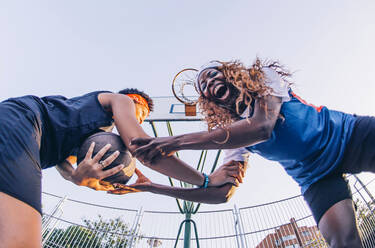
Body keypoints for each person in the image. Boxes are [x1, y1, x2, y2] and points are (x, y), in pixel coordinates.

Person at [130, 59, 373, 247]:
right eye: (203, 86)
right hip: (315, 178)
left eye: (213, 74)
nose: (209, 82)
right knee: (343, 243)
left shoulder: (264, 78)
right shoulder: (234, 138)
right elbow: (222, 194)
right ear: (208, 100)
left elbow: (262, 127)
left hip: (348, 135)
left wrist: (175, 142)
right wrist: (154, 187)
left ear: (230, 73)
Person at [0, 88, 242, 248]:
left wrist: (76, 177)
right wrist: (206, 180)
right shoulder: (120, 100)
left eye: (143, 117)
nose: (140, 119)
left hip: (30, 141)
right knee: (22, 240)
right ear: (133, 101)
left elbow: (64, 162)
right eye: (142, 113)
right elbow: (143, 151)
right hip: (22, 121)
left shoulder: (90, 132)